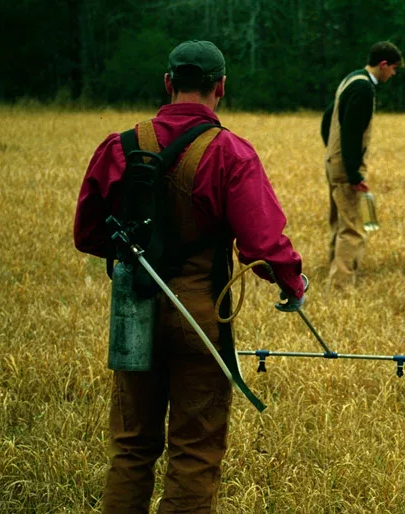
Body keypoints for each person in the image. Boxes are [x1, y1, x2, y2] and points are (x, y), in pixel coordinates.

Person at [74, 40, 305, 513]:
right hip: (198, 313)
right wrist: (293, 286)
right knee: (194, 451)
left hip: (133, 306)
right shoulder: (230, 153)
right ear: (221, 87)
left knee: (131, 448)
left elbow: (87, 234)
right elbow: (262, 247)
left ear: (167, 83)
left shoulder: (119, 146)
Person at [321, 41, 403, 289]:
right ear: (383, 64)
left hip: (333, 162)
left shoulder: (351, 79)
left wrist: (331, 151)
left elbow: (328, 117)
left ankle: (333, 269)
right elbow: (352, 134)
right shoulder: (364, 89)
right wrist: (355, 173)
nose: (393, 74)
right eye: (393, 69)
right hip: (346, 167)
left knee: (339, 221)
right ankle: (340, 285)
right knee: (353, 227)